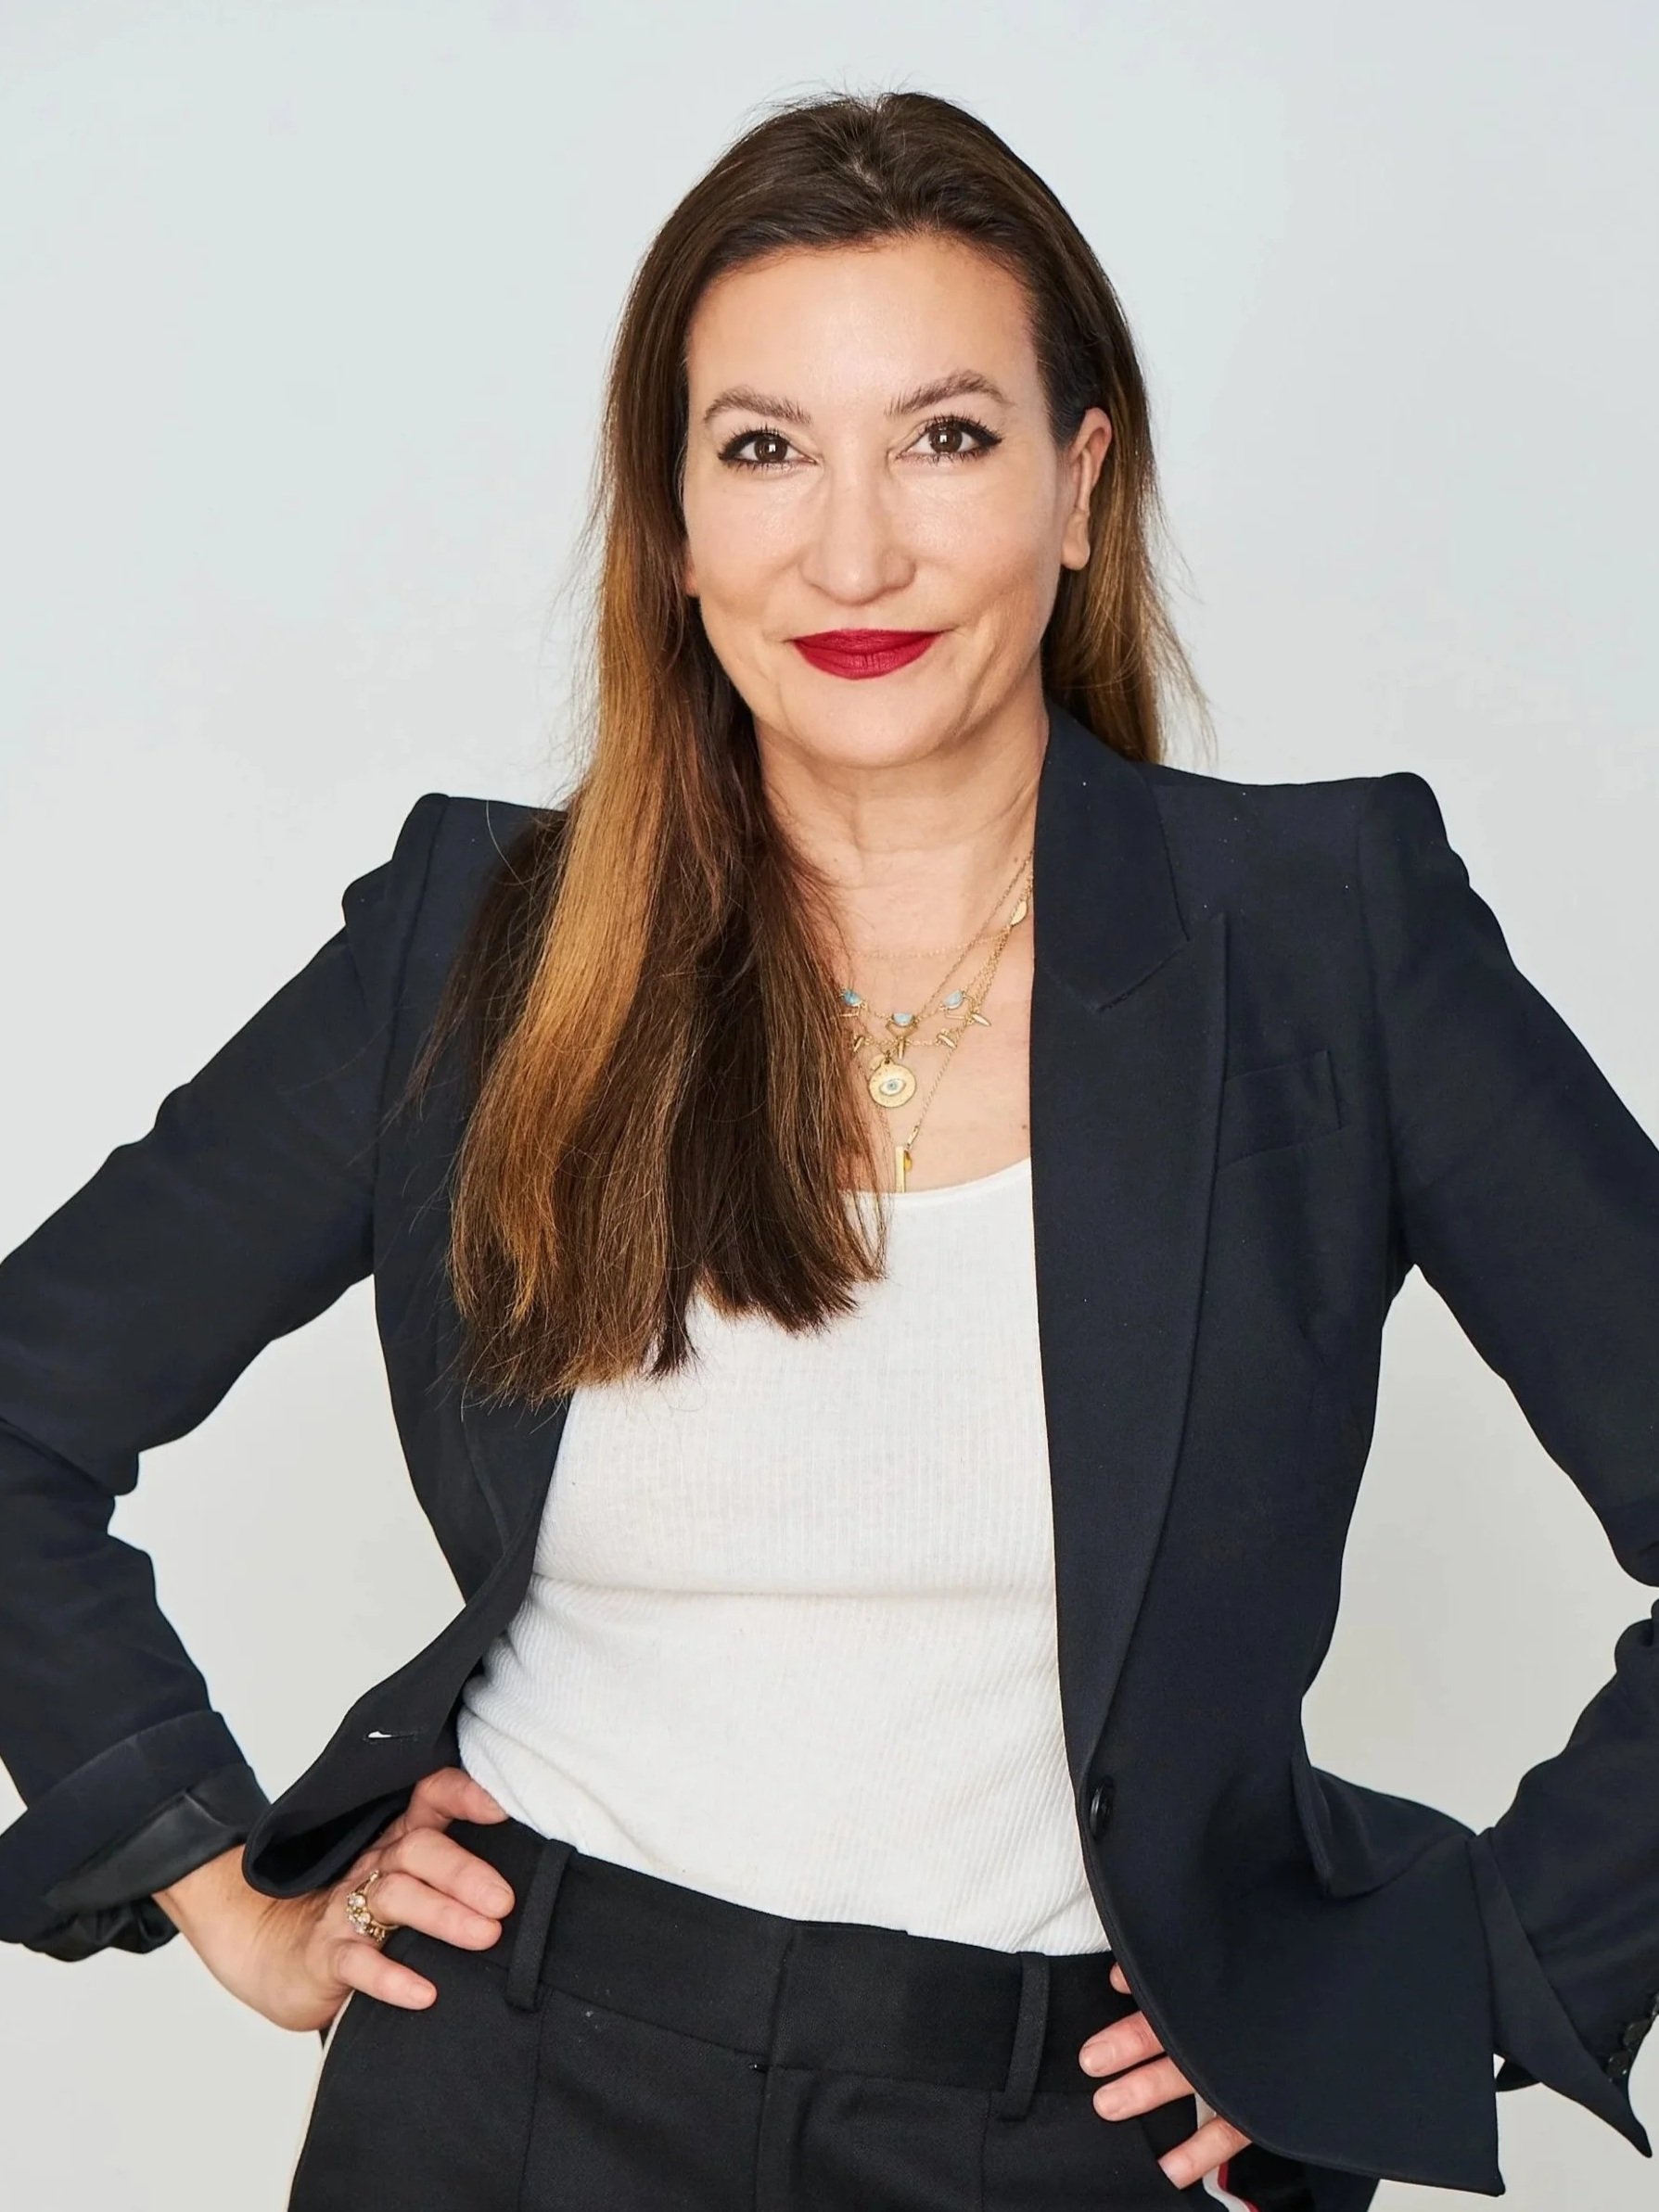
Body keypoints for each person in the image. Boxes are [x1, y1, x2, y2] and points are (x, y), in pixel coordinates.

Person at [1, 85, 1654, 2212]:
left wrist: (1448, 1983)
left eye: (945, 438)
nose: (849, 550)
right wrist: (219, 1880)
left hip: (1083, 2137)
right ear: (675, 520)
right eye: (763, 447)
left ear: (1080, 485)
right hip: (508, 2103)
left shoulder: (1327, 940)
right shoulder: (476, 951)